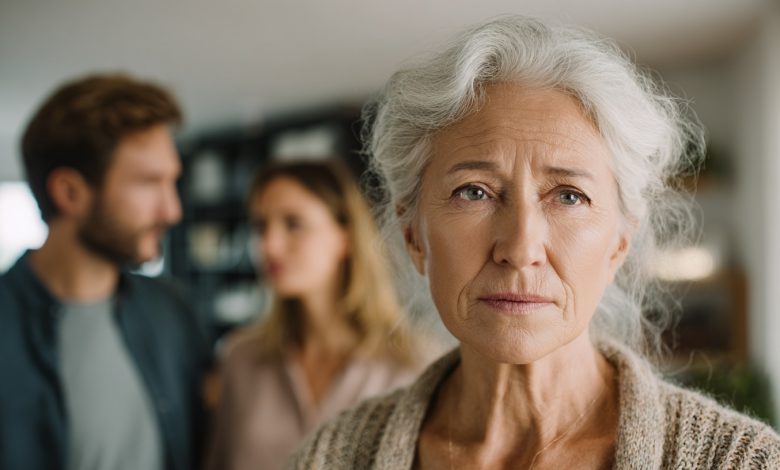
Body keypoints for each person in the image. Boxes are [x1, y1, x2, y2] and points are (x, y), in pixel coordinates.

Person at [288, 16, 780, 470]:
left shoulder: (739, 461)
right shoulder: (332, 457)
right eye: (474, 191)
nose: (521, 247)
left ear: (619, 243)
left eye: (569, 196)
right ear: (414, 235)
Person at [0, 74, 209, 470]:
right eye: (150, 183)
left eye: (173, 182)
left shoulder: (173, 310)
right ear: (70, 192)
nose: (173, 211)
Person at [206, 159, 427, 470]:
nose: (269, 245)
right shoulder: (240, 359)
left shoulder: (411, 366)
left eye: (293, 224)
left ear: (345, 237)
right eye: (260, 226)